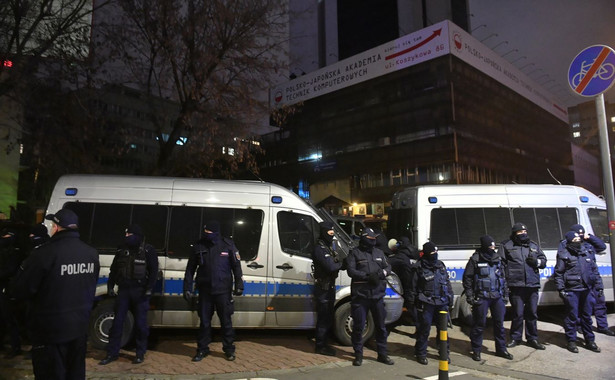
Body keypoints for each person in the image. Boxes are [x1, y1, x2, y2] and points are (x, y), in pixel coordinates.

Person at [12, 208, 99, 379]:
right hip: (78, 330)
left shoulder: (44, 253)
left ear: (57, 227)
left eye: (53, 224)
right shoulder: (91, 254)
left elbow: (20, 289)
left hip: (50, 332)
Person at [183, 220, 244, 362]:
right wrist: (187, 287)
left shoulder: (228, 245)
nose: (207, 234)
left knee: (226, 322)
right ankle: (202, 350)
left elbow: (236, 267)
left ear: (216, 232)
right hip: (205, 291)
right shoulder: (199, 245)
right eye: (205, 232)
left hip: (223, 291)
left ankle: (229, 350)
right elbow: (190, 269)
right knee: (204, 323)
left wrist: (239, 285)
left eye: (209, 232)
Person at [99, 224, 159, 365]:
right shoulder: (122, 249)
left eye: (129, 234)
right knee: (118, 323)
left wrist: (149, 288)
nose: (126, 237)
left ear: (137, 235)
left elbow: (154, 271)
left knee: (140, 325)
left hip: (140, 292)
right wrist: (110, 285)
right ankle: (112, 353)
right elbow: (114, 269)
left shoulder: (148, 250)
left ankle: (140, 353)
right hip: (124, 291)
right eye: (126, 234)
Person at [345, 227, 394, 366]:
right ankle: (358, 355)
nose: (373, 241)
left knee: (381, 326)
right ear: (365, 238)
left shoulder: (379, 252)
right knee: (359, 327)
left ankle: (382, 354)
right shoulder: (355, 253)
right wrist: (366, 277)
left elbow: (388, 268)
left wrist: (380, 275)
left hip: (377, 296)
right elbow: (351, 271)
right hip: (361, 296)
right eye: (371, 238)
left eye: (374, 238)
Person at [462, 235, 513, 361]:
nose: (492, 248)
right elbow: (467, 278)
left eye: (493, 246)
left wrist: (505, 295)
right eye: (490, 246)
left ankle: (501, 350)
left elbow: (503, 278)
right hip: (482, 296)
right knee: (479, 325)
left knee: (499, 325)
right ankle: (476, 350)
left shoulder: (498, 259)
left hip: (497, 297)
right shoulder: (475, 259)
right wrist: (470, 295)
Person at [498, 222, 547, 350]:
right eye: (520, 232)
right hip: (516, 285)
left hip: (532, 285)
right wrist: (504, 282)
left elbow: (543, 261)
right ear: (515, 233)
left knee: (532, 313)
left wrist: (537, 262)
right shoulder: (506, 245)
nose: (523, 234)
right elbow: (501, 264)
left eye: (525, 232)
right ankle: (515, 338)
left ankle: (533, 338)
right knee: (517, 313)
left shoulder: (533, 245)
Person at [554, 230, 603, 353]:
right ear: (569, 242)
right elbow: (559, 273)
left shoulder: (586, 252)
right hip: (572, 289)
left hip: (587, 289)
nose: (578, 242)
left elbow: (594, 271)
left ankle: (590, 340)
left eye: (578, 240)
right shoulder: (564, 254)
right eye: (574, 240)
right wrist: (561, 289)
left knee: (587, 316)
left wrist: (599, 286)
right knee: (572, 316)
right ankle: (571, 341)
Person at [562, 224, 613, 336]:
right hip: (580, 281)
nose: (580, 236)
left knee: (600, 303)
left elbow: (602, 246)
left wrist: (589, 236)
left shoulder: (589, 245)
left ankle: (603, 326)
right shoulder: (567, 245)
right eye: (578, 234)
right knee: (582, 307)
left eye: (582, 234)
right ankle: (580, 326)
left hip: (593, 278)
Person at [410, 242, 454, 365]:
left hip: (441, 301)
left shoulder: (440, 265)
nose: (435, 255)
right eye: (432, 253)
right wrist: (413, 304)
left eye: (436, 252)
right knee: (424, 329)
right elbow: (413, 287)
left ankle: (444, 353)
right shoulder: (418, 267)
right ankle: (421, 353)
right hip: (426, 302)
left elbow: (447, 281)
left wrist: (449, 297)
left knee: (443, 330)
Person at [312, 221, 343, 356]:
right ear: (324, 232)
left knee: (328, 317)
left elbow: (334, 261)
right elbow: (331, 266)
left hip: (329, 286)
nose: (331, 234)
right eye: (329, 232)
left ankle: (324, 343)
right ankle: (320, 346)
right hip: (323, 288)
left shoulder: (329, 246)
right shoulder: (320, 248)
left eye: (332, 232)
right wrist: (342, 263)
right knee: (324, 317)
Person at [0, 229, 22, 358]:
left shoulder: (15, 252)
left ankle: (16, 346)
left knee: (9, 318)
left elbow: (11, 270)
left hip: (7, 288)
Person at [387, 236, 419, 324]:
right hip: (415, 282)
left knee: (410, 305)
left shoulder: (401, 256)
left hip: (407, 283)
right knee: (412, 304)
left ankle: (419, 328)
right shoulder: (413, 253)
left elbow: (387, 262)